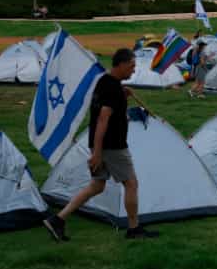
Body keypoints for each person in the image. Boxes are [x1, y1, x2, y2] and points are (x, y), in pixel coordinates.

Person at [43, 49, 157, 242]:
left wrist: (123, 95)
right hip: (112, 146)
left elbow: (106, 106)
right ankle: (134, 228)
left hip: (101, 145)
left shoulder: (105, 83)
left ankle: (58, 219)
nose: (133, 70)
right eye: (131, 66)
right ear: (120, 65)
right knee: (131, 183)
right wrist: (97, 153)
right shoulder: (112, 88)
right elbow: (103, 119)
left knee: (97, 186)